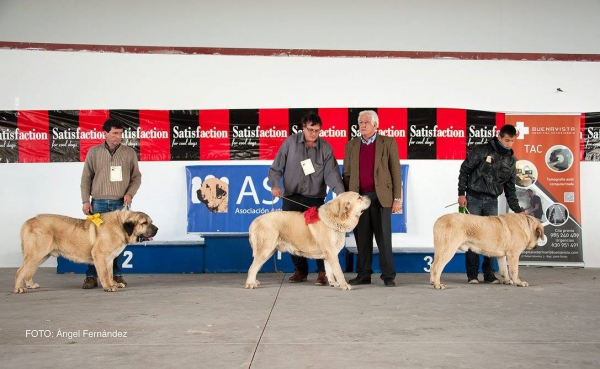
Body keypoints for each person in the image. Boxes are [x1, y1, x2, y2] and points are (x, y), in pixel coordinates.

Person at [268, 112, 345, 286]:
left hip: (315, 200)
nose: (313, 134)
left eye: (317, 130)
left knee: (321, 237)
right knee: (292, 235)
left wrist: (340, 193)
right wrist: (275, 185)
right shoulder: (290, 143)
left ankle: (323, 273)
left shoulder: (325, 148)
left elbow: (332, 174)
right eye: (310, 130)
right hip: (291, 198)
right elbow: (275, 168)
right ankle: (300, 271)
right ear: (303, 127)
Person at [458, 124, 524, 284]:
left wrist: (517, 210)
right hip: (473, 198)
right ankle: (472, 275)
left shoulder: (511, 161)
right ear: (499, 136)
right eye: (507, 140)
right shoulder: (481, 150)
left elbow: (510, 189)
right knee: (471, 237)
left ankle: (489, 275)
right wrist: (461, 193)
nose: (509, 144)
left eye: (512, 141)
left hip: (492, 201)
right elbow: (464, 170)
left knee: (493, 239)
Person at [80, 118, 142, 289]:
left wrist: (130, 193)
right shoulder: (93, 152)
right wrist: (86, 200)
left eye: (120, 133)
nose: (118, 136)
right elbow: (86, 178)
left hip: (119, 205)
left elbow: (136, 177)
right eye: (114, 133)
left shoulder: (129, 153)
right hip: (98, 203)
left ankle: (117, 276)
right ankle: (91, 276)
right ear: (105, 133)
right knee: (94, 242)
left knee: (118, 241)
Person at [343, 110, 402, 287]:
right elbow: (346, 173)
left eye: (366, 122)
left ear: (376, 125)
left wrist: (397, 198)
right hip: (358, 200)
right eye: (360, 122)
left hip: (382, 197)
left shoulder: (388, 142)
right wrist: (349, 198)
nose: (362, 125)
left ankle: (388, 276)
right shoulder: (351, 145)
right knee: (362, 238)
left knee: (384, 239)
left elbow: (396, 172)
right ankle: (363, 274)